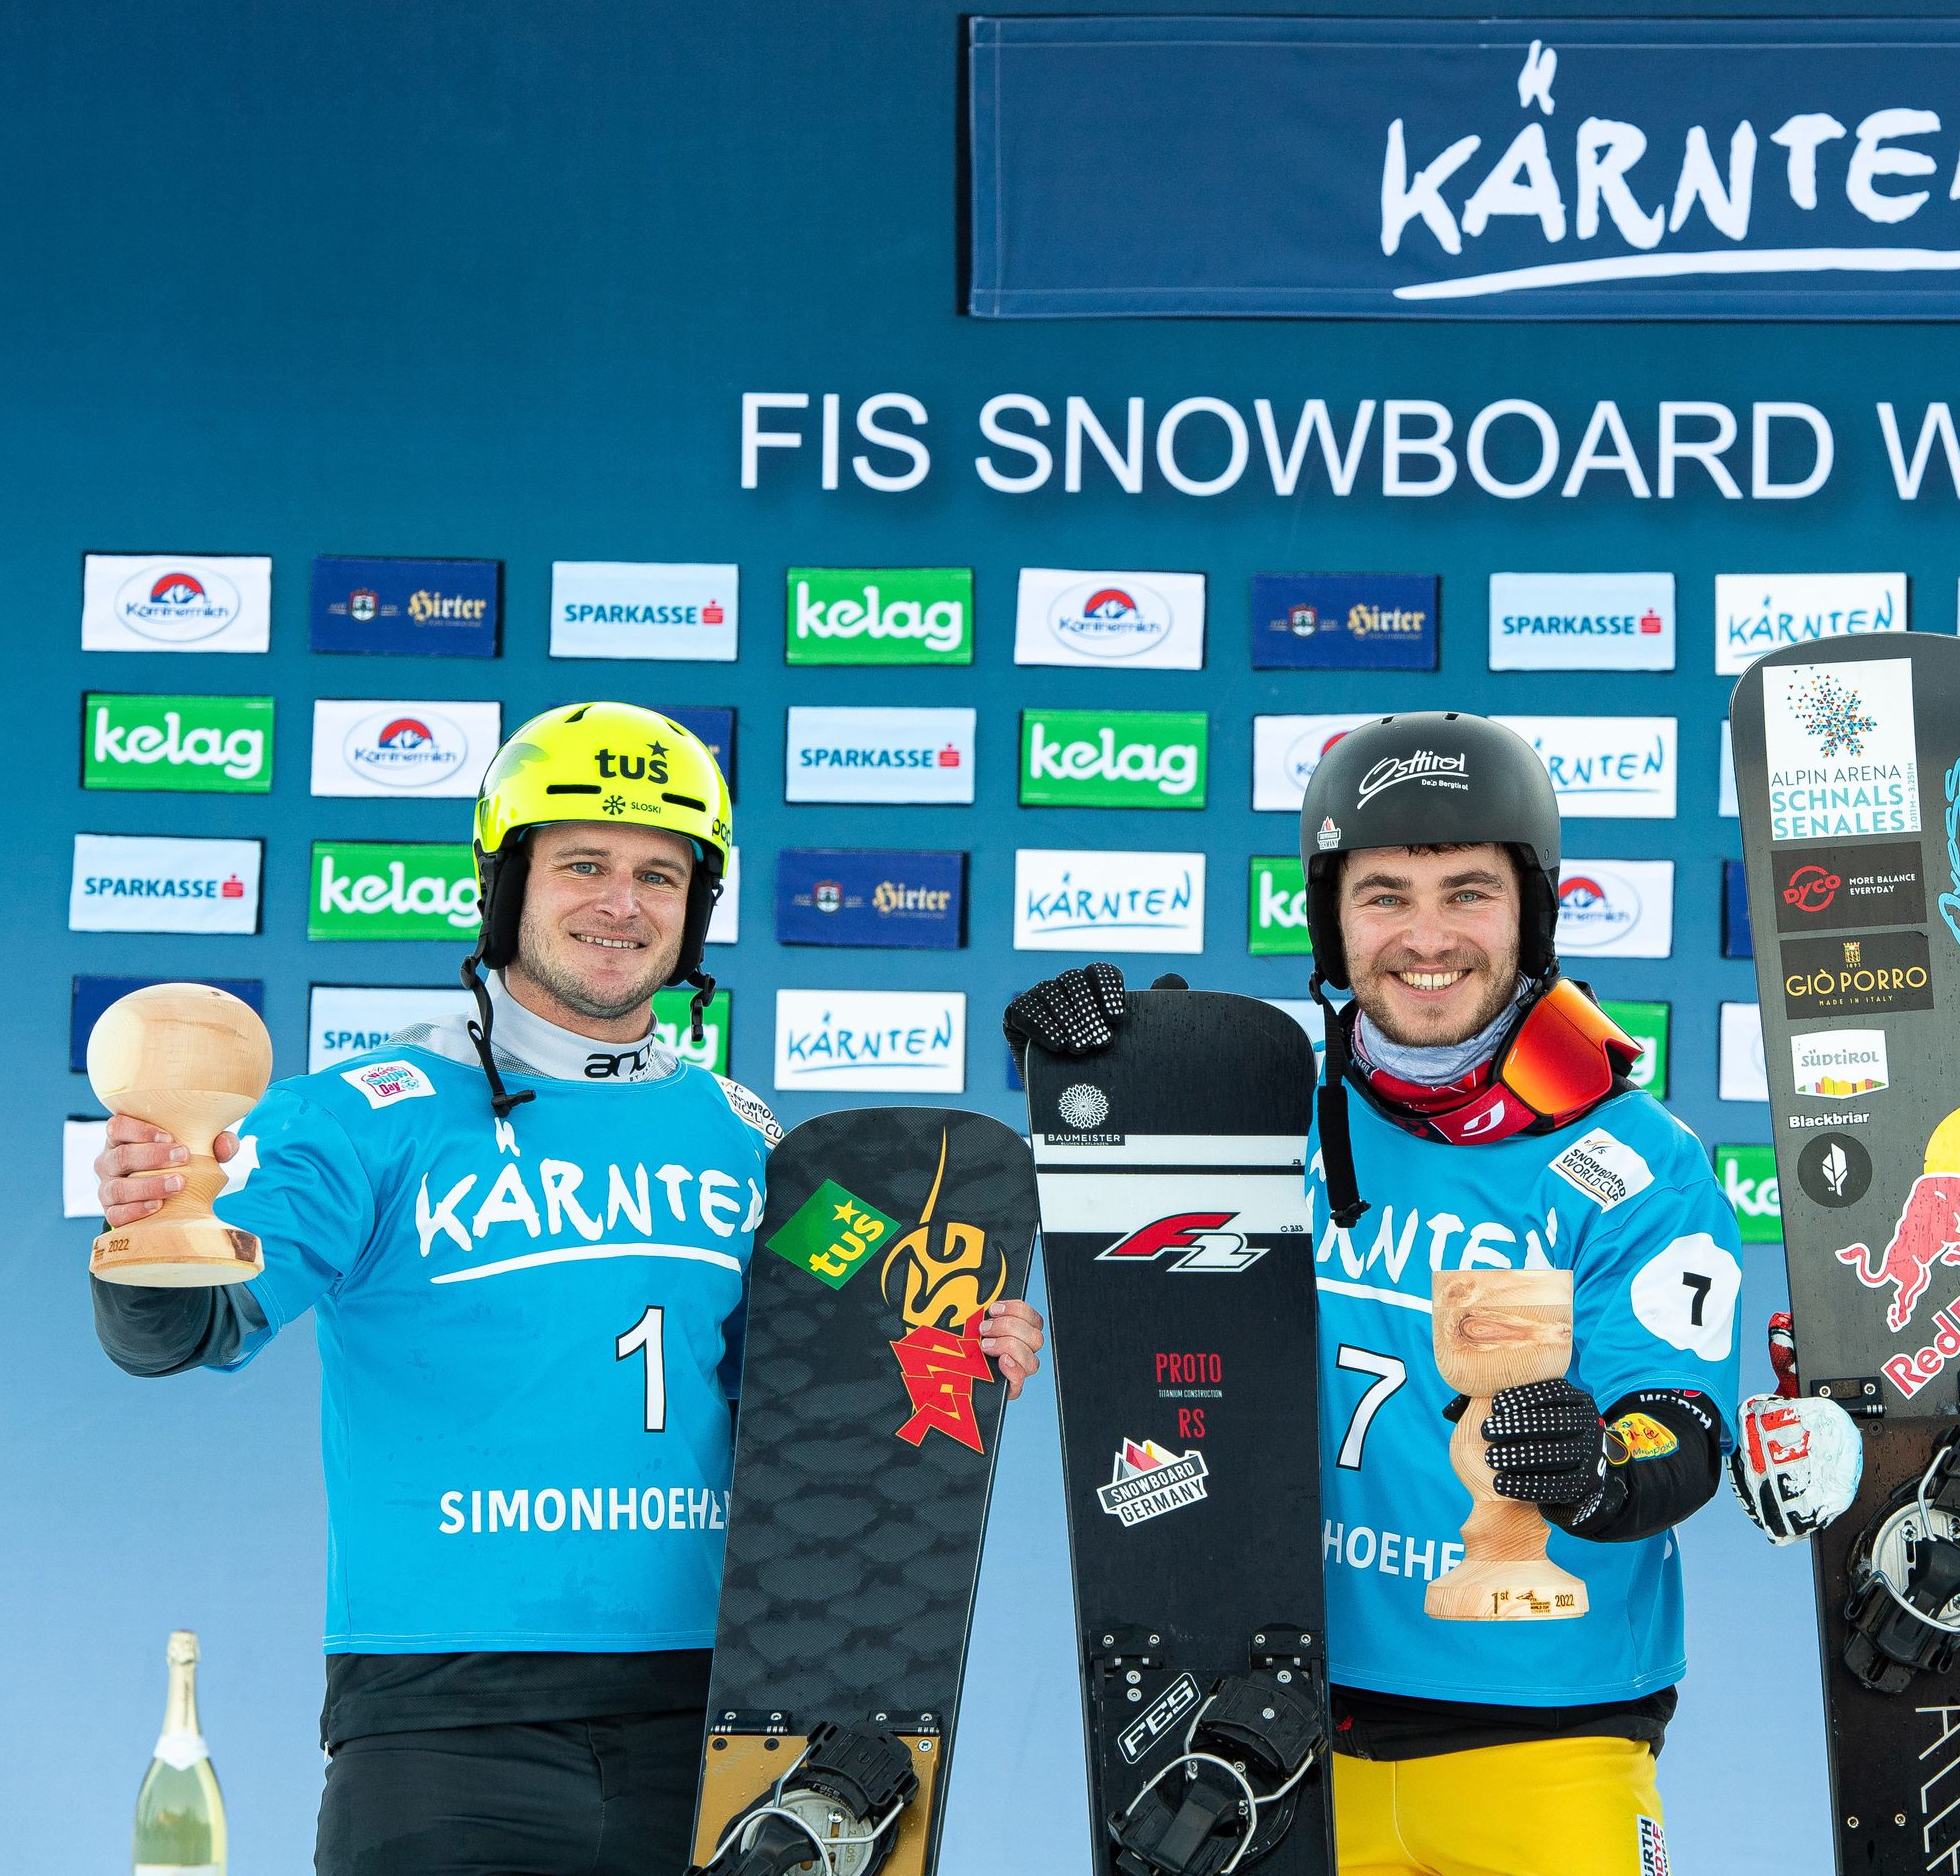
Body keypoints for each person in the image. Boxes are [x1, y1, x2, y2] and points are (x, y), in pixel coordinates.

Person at [92, 701, 1045, 1876]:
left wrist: (965, 1346)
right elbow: (193, 1327)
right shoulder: (352, 1115)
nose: (621, 903)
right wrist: (148, 1232)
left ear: (696, 911)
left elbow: (848, 1376)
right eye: (582, 864)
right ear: (504, 886)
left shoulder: (757, 1145)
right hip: (440, 1730)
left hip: (709, 1721)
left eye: (661, 874)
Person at [1008, 711, 1743, 1876]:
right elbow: (1125, 1295)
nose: (1427, 936)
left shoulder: (1640, 1161)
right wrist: (1099, 1076)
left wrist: (1602, 1463)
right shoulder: (1251, 1124)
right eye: (1384, 894)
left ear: (1531, 914)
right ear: (1332, 919)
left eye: (1468, 891)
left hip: (1547, 1734)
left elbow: (1681, 1425)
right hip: (1276, 1726)